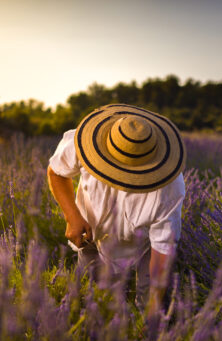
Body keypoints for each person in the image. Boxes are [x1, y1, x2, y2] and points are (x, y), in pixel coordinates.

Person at [47, 104, 186, 317]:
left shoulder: (168, 188)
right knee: (89, 300)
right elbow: (56, 172)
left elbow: (162, 248)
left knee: (150, 303)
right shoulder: (84, 143)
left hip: (144, 244)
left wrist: (153, 306)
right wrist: (72, 216)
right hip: (91, 234)